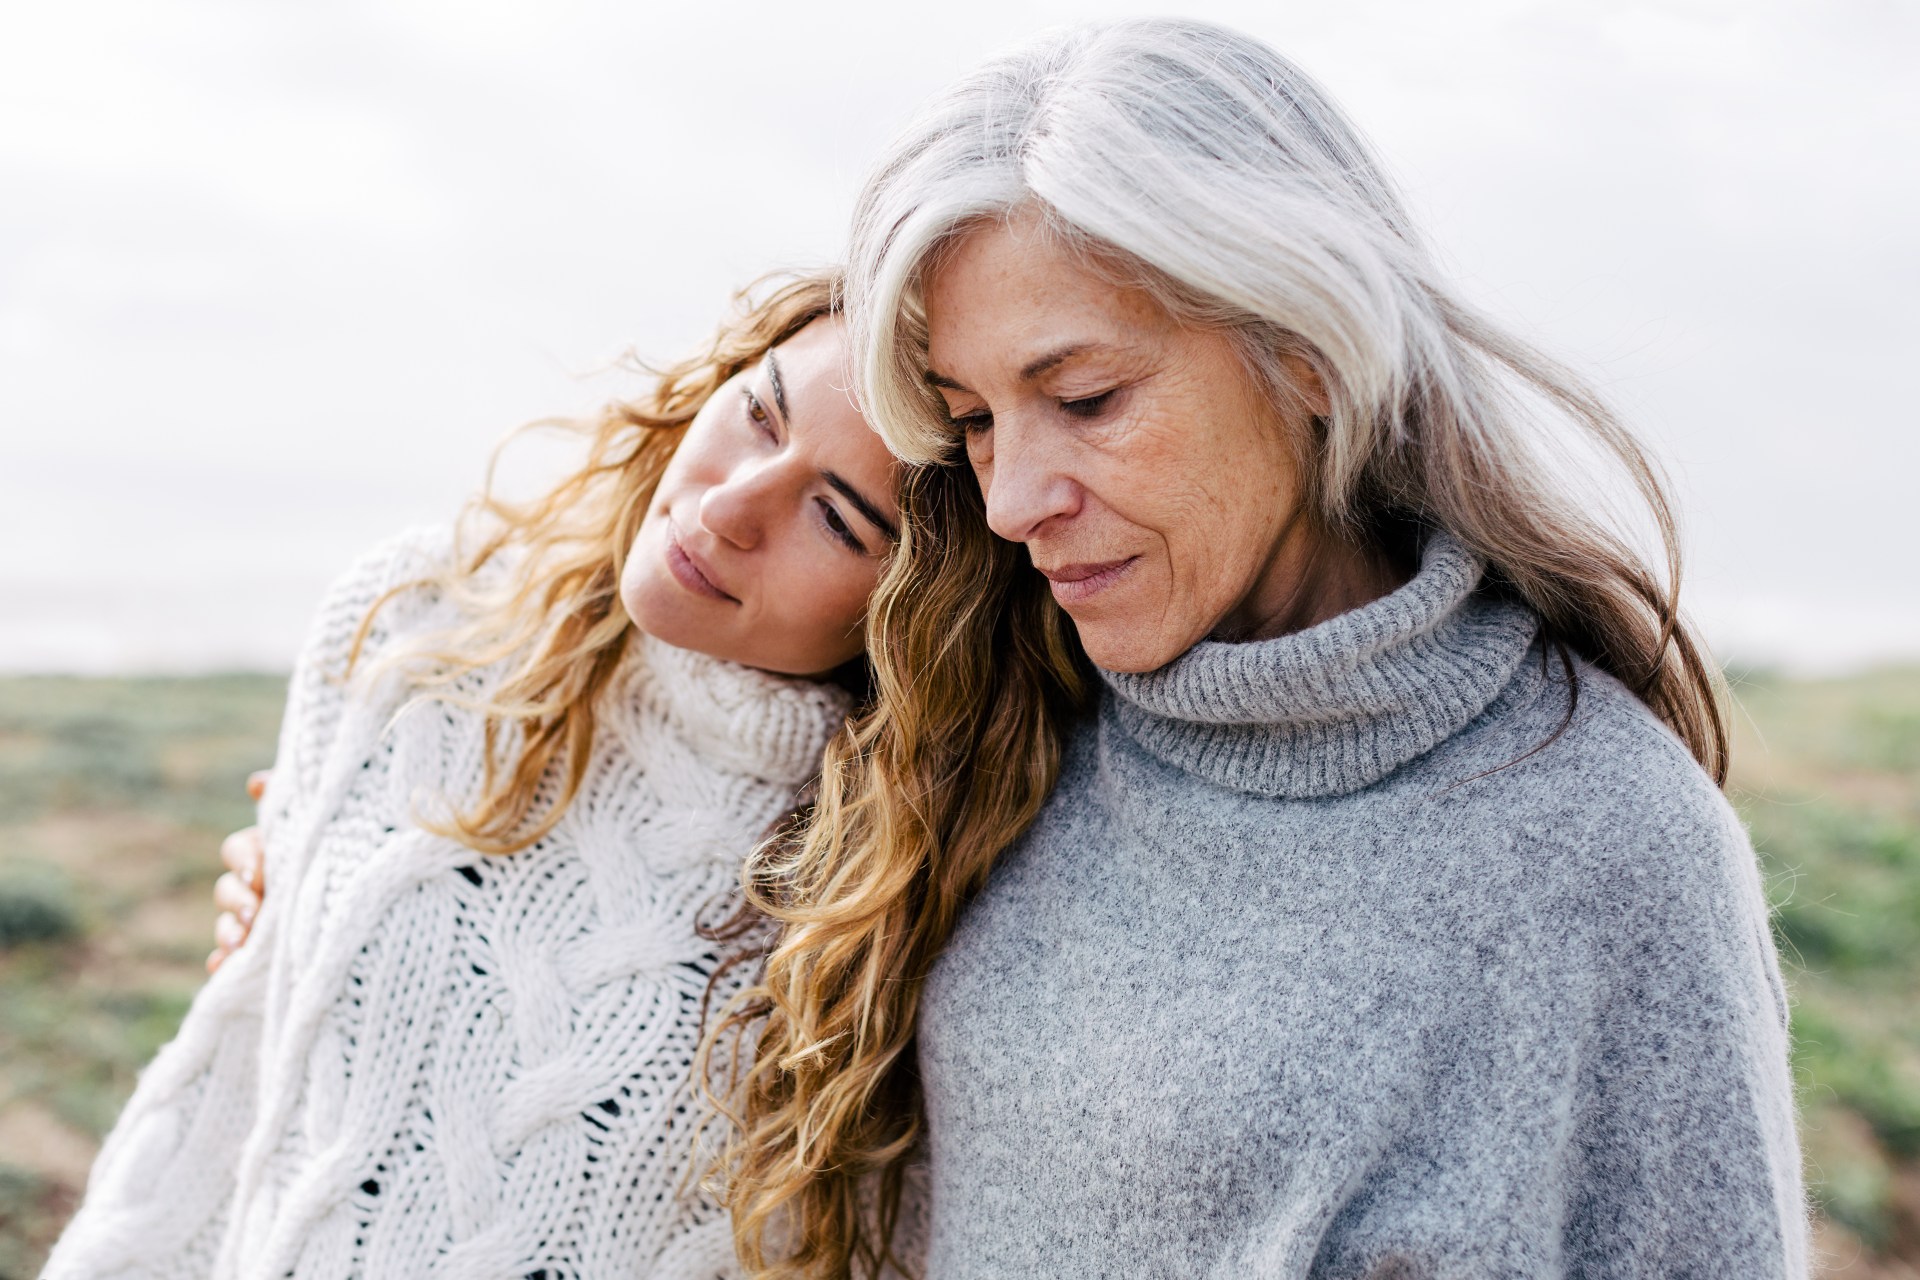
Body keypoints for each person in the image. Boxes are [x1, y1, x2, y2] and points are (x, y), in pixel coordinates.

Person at [722, 19, 1807, 1279]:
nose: (1012, 499)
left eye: (1085, 399)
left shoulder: (1608, 845)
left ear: (1307, 351)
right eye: (973, 419)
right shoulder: (993, 711)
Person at [45, 272, 910, 1279]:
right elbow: (245, 1075)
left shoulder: (897, 871)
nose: (727, 507)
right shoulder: (418, 620)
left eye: (837, 519)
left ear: (917, 603)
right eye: (760, 413)